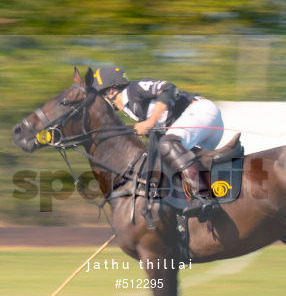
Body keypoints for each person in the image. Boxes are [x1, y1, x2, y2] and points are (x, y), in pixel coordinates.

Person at [91, 66, 224, 217]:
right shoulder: (132, 111)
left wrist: (150, 122)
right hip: (202, 130)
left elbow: (170, 89)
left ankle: (204, 195)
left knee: (167, 144)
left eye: (100, 96)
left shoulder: (134, 89)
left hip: (202, 111)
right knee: (165, 163)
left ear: (111, 91)